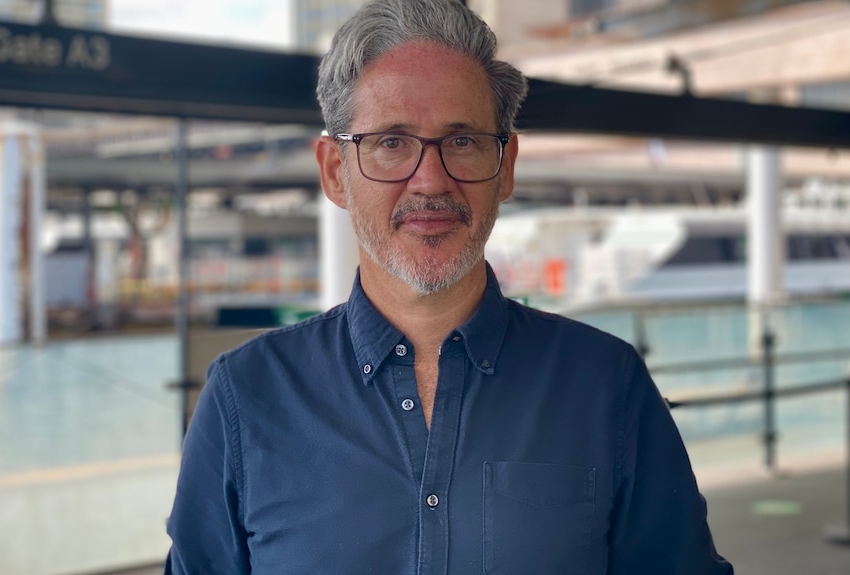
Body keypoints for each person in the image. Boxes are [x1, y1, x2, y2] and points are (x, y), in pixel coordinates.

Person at [164, 0, 734, 573]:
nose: (431, 180)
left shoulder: (607, 384)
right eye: (390, 142)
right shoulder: (246, 397)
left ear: (505, 166)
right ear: (335, 172)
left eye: (462, 141)